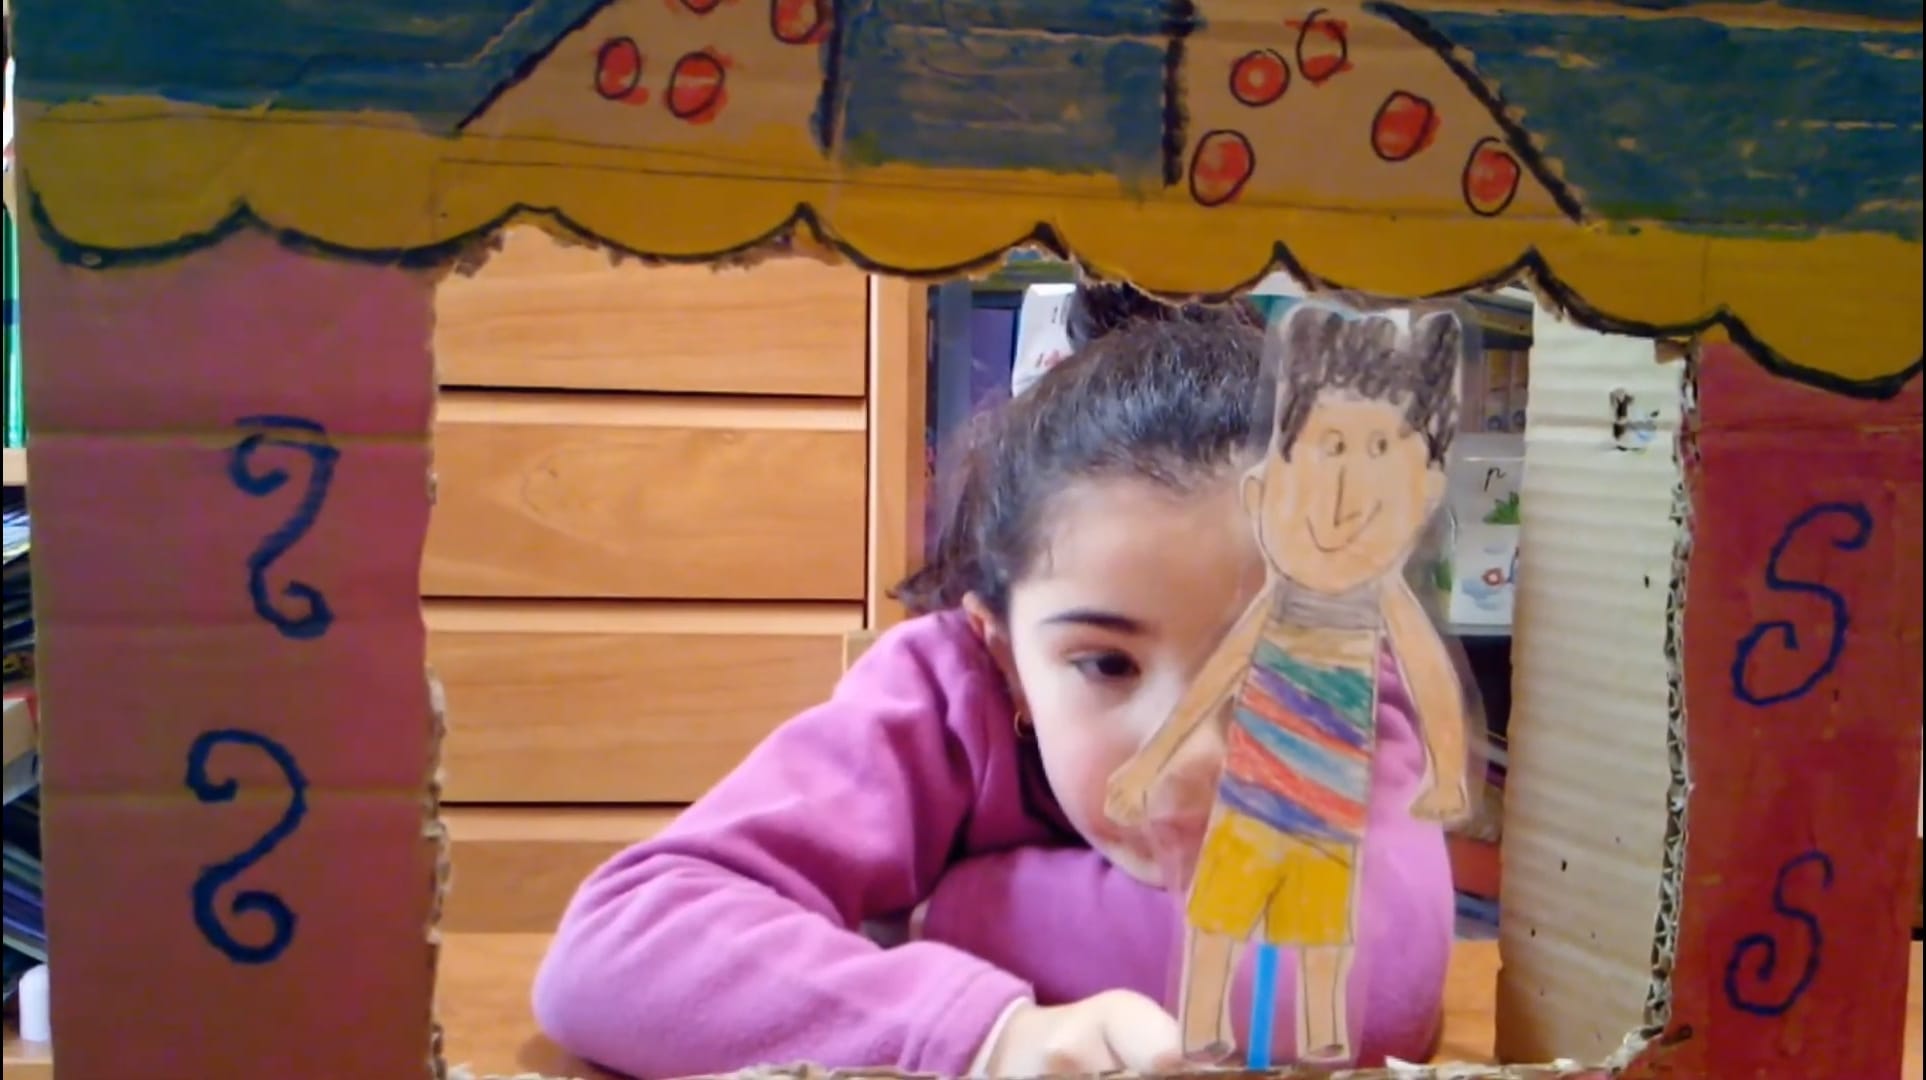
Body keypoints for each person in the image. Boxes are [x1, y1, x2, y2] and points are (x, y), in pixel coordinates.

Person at [531, 284, 1454, 1078]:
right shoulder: (942, 691)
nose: (1189, 755)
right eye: (1107, 664)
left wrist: (955, 908)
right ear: (1004, 654)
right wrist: (988, 1032)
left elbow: (1373, 993)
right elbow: (617, 949)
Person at [1106, 302, 1471, 1064]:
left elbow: (1431, 677)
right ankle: (1205, 1024)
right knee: (1217, 923)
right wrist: (1150, 761)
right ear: (1267, 490)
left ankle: (1323, 1035)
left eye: (1379, 450)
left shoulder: (1381, 602)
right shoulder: (1273, 603)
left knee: (1322, 938)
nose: (1346, 487)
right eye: (1330, 447)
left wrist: (1446, 770)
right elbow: (1212, 683)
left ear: (1422, 492)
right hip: (1248, 803)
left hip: (1329, 815)